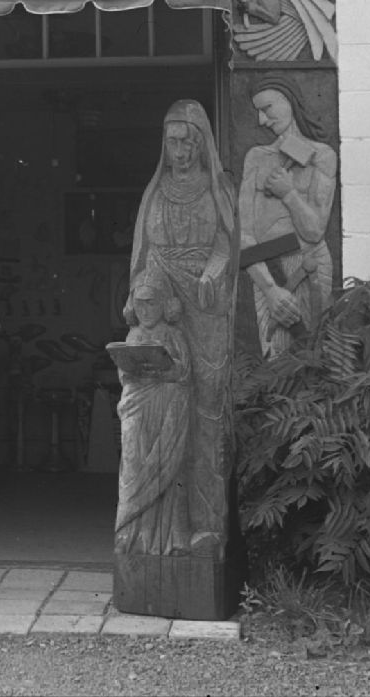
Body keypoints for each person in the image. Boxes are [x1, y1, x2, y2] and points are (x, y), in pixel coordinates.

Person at [130, 99, 237, 555]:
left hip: (206, 306)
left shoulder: (216, 189)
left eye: (187, 142)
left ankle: (208, 525)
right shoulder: (155, 192)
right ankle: (160, 527)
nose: (179, 151)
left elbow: (228, 243)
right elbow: (144, 252)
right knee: (162, 406)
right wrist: (139, 295)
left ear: (200, 143)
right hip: (163, 300)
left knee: (206, 411)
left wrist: (213, 271)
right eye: (171, 142)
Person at [238, 76, 337, 357]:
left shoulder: (322, 156)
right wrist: (270, 290)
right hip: (264, 269)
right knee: (274, 359)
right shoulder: (256, 157)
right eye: (257, 111)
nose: (262, 120)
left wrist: (289, 193)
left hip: (308, 264)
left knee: (311, 355)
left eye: (267, 108)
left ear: (289, 101)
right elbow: (244, 233)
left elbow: (315, 231)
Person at [115, 267, 192, 556]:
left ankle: (164, 537)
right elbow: (124, 375)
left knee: (166, 469)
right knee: (133, 462)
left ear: (165, 304)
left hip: (167, 405)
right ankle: (132, 531)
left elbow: (185, 372)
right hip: (137, 403)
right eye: (140, 303)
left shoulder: (173, 334)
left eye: (151, 303)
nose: (145, 310)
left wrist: (166, 369)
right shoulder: (133, 334)